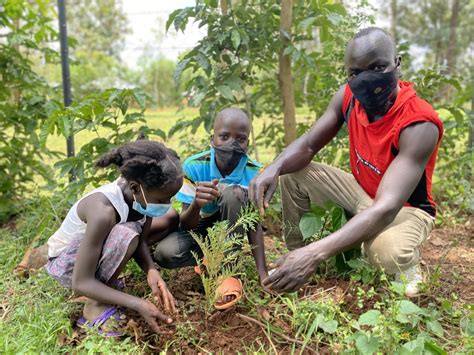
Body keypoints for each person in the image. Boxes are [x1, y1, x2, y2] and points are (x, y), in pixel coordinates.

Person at [250, 27, 443, 297]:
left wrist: (316, 253)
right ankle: (294, 256)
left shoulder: (419, 123)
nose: (366, 80)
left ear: (397, 63)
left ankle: (408, 264)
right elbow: (307, 145)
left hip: (404, 208)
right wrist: (274, 167)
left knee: (385, 254)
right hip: (362, 192)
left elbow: (386, 207)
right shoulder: (348, 97)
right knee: (293, 174)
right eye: (355, 72)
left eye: (377, 67)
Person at [46, 140, 183, 336]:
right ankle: (94, 306)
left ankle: (103, 284)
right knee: (126, 234)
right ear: (135, 187)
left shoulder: (142, 195)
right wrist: (137, 303)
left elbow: (141, 241)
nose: (167, 203)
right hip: (68, 267)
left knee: (164, 219)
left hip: (91, 254)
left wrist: (151, 270)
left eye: (170, 198)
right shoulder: (103, 211)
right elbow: (81, 282)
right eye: (162, 200)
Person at [153, 108, 268, 309]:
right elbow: (186, 224)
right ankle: (208, 260)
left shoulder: (255, 172)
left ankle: (227, 273)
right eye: (224, 136)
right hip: (201, 226)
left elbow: (253, 223)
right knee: (166, 252)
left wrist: (263, 272)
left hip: (232, 227)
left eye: (240, 139)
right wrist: (197, 204)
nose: (232, 144)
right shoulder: (195, 166)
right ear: (212, 138)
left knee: (235, 194)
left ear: (247, 144)